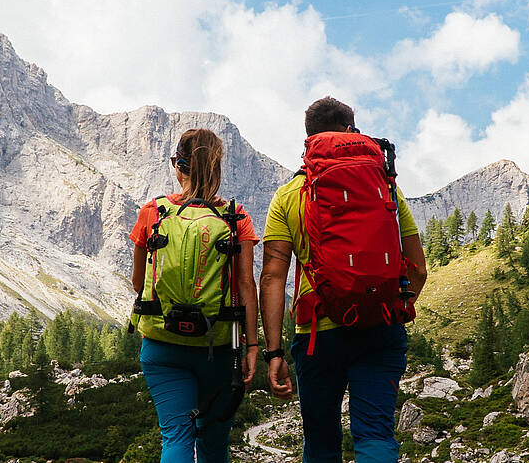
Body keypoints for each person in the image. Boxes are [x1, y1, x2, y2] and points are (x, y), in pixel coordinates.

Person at [259, 97, 427, 463]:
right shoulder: (385, 187)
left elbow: (273, 276)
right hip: (381, 328)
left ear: (309, 139)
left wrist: (273, 352)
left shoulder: (288, 196)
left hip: (319, 334)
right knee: (375, 436)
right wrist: (394, 305)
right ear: (351, 131)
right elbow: (418, 267)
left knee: (321, 445)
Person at [129, 129, 261, 463]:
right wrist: (253, 346)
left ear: (179, 167)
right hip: (219, 348)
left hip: (161, 345)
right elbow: (247, 286)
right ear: (217, 168)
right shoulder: (236, 218)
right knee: (215, 444)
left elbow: (137, 282)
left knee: (175, 437)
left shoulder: (152, 212)